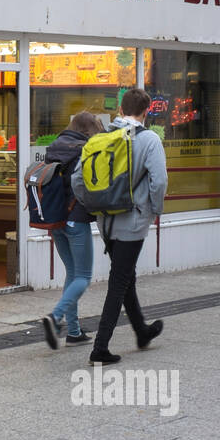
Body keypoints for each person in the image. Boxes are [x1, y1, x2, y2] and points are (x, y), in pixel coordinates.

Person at [75, 88, 168, 366]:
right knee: (118, 282)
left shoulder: (102, 137)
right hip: (133, 221)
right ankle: (99, 349)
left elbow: (77, 180)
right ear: (146, 111)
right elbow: (160, 181)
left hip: (106, 220)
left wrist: (94, 205)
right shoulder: (150, 139)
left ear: (120, 109)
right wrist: (154, 210)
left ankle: (142, 331)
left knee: (125, 275)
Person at [42, 111, 105, 350]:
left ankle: (75, 332)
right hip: (76, 220)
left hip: (56, 221)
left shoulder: (54, 146)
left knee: (72, 273)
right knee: (83, 277)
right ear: (88, 131)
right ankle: (55, 317)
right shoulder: (84, 150)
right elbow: (86, 184)